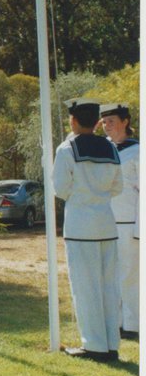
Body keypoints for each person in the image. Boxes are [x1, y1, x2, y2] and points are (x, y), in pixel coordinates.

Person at [54, 98, 124, 362]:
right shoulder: (109, 147)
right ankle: (111, 343)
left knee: (86, 288)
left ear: (73, 120)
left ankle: (94, 345)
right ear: (96, 122)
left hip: (80, 226)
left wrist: (81, 196)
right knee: (109, 287)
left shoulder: (66, 148)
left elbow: (60, 188)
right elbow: (117, 188)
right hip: (106, 223)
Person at [99, 103, 139, 341]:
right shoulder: (103, 149)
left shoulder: (137, 151)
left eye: (111, 120)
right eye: (104, 122)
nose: (107, 126)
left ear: (125, 121)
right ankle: (117, 321)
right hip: (108, 222)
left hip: (129, 222)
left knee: (130, 275)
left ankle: (133, 323)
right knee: (111, 274)